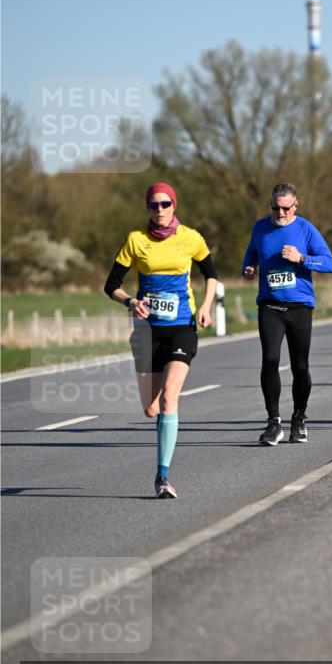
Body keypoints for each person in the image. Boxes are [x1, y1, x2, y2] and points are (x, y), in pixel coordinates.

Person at [104, 182, 218, 498]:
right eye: (154, 205)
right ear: (147, 208)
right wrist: (130, 301)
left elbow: (211, 274)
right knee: (151, 409)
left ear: (174, 205)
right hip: (146, 331)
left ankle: (163, 476)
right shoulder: (136, 240)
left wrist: (205, 307)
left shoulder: (190, 237)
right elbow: (111, 284)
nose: (160, 210)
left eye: (165, 204)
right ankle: (161, 431)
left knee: (170, 396)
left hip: (182, 325)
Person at [242, 182, 332, 445]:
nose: (280, 213)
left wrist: (302, 259)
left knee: (300, 365)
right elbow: (250, 254)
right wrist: (248, 268)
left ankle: (299, 418)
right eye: (275, 207)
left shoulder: (306, 229)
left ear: (296, 206)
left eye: (285, 208)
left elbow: (328, 263)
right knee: (270, 360)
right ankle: (274, 422)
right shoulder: (261, 228)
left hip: (299, 307)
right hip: (270, 306)